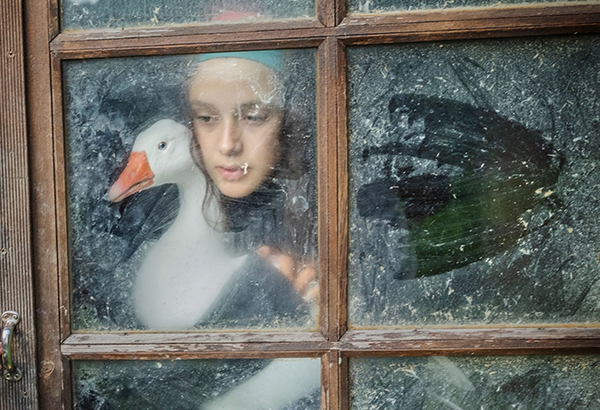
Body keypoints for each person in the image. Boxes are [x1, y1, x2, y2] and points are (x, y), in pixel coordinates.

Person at [187, 50, 319, 306]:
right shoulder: (162, 215)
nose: (227, 145)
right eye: (206, 118)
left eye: (254, 117)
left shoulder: (339, 207)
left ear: (289, 123)